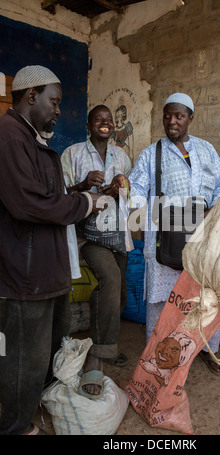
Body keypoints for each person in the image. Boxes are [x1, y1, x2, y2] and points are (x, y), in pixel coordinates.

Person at [0, 65, 104, 435]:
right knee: (22, 358)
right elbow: (29, 204)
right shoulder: (11, 138)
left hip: (44, 270)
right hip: (25, 275)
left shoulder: (31, 140)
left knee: (40, 353)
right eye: (54, 102)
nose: (59, 110)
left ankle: (33, 404)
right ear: (32, 96)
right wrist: (86, 205)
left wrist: (76, 194)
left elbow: (48, 198)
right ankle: (14, 426)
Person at [112, 92, 220, 374]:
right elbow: (138, 193)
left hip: (203, 236)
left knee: (205, 297)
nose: (172, 121)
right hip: (164, 237)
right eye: (167, 115)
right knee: (160, 301)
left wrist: (211, 211)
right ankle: (157, 352)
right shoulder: (151, 153)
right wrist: (126, 189)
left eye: (179, 116)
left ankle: (206, 348)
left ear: (191, 118)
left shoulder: (206, 150)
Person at [61, 104, 133, 398]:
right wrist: (83, 185)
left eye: (109, 120)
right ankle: (96, 357)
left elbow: (132, 189)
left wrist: (120, 187)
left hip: (117, 233)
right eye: (98, 119)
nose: (105, 123)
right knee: (110, 279)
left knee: (119, 291)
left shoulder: (122, 156)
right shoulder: (73, 154)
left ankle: (106, 339)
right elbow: (60, 194)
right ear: (89, 125)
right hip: (87, 235)